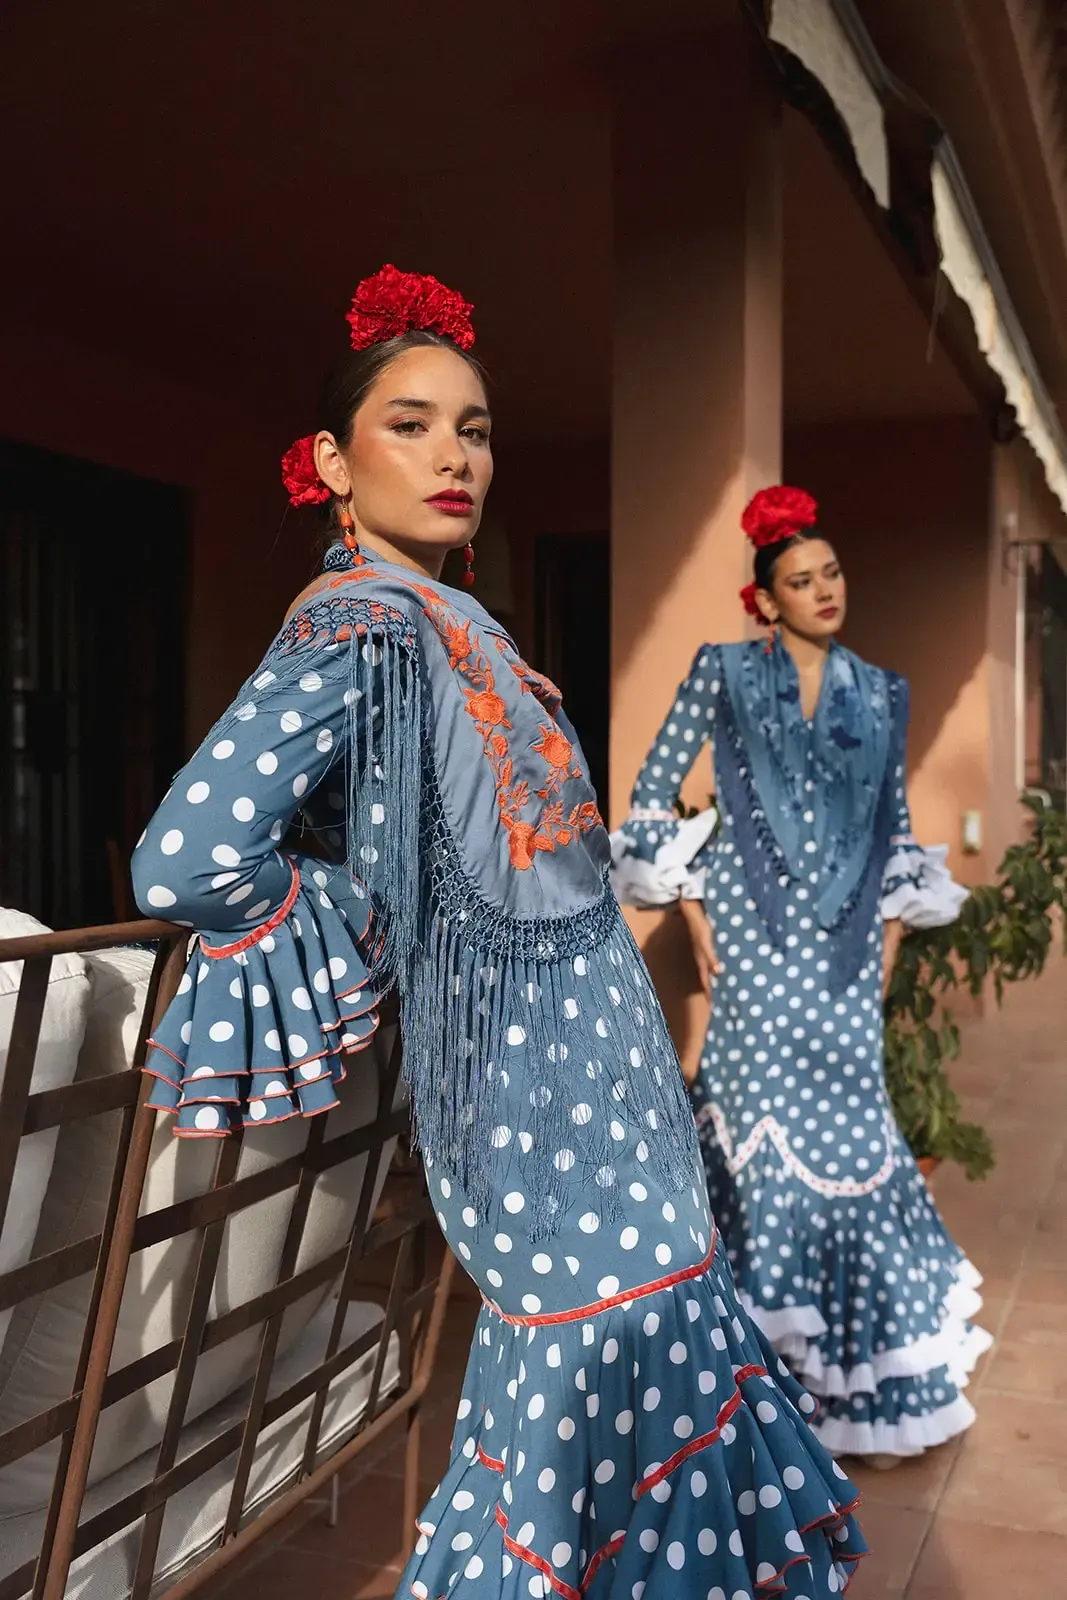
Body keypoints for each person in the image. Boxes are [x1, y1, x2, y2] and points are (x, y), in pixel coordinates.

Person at [132, 277, 866, 1596]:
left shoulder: (452, 617)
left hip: (613, 1079)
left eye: (471, 429)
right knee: (591, 1373)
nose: (454, 456)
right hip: (528, 1097)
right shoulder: (351, 622)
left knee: (652, 1351)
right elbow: (190, 856)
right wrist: (362, 934)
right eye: (409, 425)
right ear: (328, 462)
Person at [612, 486, 990, 1467]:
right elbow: (653, 794)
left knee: (853, 1139)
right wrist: (693, 917)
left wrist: (887, 956)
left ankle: (857, 1387)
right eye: (799, 581)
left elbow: (889, 836)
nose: (823, 591)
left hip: (846, 951)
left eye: (830, 574)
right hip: (746, 938)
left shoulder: (882, 691)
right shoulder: (723, 672)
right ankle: (758, 1390)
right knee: (752, 1138)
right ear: (764, 599)